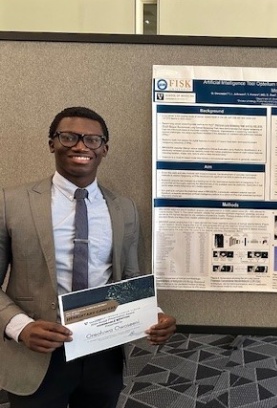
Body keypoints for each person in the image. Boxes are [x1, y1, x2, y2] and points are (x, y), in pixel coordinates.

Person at [0, 107, 177, 408]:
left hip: (103, 353)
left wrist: (154, 314)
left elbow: (130, 279)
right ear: (52, 143)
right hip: (37, 352)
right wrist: (21, 327)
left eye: (93, 140)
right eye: (69, 137)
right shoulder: (11, 202)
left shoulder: (124, 209)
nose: (81, 146)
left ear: (104, 149)